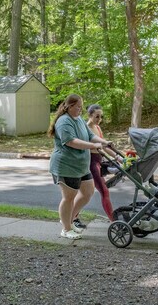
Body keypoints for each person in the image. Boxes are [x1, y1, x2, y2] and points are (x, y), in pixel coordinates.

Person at [48, 94, 112, 240]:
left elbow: (90, 135)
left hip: (81, 166)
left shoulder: (79, 120)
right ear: (69, 106)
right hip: (66, 166)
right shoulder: (64, 121)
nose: (80, 109)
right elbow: (71, 141)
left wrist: (104, 142)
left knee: (88, 192)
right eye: (77, 107)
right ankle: (66, 228)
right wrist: (93, 146)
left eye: (81, 107)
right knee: (68, 198)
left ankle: (69, 220)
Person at [86, 104, 118, 222]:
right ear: (89, 115)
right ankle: (113, 221)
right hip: (91, 162)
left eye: (101, 117)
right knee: (103, 191)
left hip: (99, 160)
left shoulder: (98, 128)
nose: (99, 119)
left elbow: (104, 146)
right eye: (97, 117)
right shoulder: (86, 128)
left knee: (85, 194)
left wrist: (118, 157)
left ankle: (73, 217)